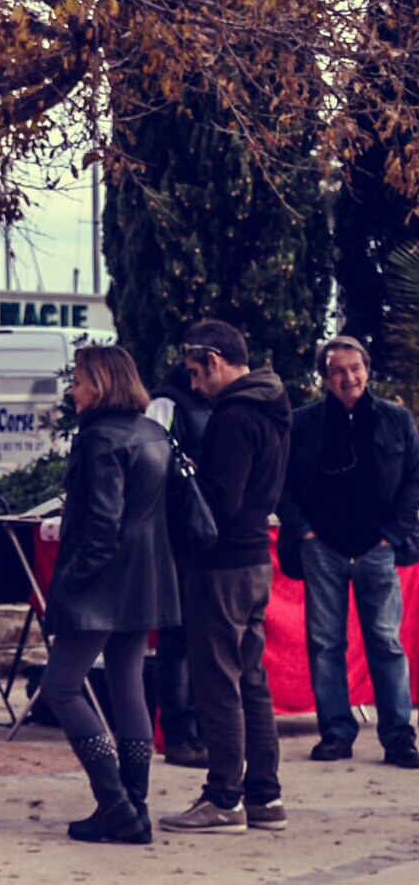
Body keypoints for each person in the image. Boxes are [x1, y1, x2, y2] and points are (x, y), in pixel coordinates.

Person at [160, 320, 291, 835]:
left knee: (217, 682)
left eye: (196, 373)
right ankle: (264, 795)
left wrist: (187, 479)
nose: (193, 386)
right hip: (254, 557)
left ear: (214, 360)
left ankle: (223, 798)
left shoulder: (234, 416)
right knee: (251, 680)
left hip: (222, 564)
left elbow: (220, 500)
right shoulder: (269, 407)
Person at [45, 346, 178, 843]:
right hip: (146, 575)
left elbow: (103, 522)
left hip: (103, 577)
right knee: (127, 683)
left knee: (61, 687)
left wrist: (74, 578)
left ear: (101, 384)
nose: (73, 390)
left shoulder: (99, 438)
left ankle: (116, 804)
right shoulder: (153, 432)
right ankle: (133, 807)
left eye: (79, 381)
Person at [276, 335, 419, 769]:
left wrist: (392, 535)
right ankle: (336, 733)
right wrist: (303, 532)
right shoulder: (302, 423)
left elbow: (415, 480)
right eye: (337, 370)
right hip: (322, 549)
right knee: (325, 645)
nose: (348, 377)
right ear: (324, 377)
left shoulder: (397, 419)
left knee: (386, 643)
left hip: (379, 549)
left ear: (367, 370)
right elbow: (278, 482)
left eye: (354, 368)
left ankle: (399, 737)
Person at [144, 362, 212, 768]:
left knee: (197, 641)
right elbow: (154, 463)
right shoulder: (167, 404)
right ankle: (180, 734)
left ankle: (200, 731)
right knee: (177, 642)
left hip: (198, 536)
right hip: (176, 537)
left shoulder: (211, 405)